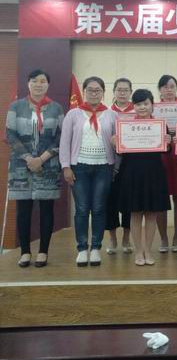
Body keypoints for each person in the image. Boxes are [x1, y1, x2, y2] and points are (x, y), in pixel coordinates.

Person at [5, 69, 64, 268]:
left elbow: (61, 136)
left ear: (48, 85)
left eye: (43, 81)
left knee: (46, 210)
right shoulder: (16, 106)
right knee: (23, 210)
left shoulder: (56, 108)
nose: (39, 84)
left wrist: (42, 158)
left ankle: (43, 252)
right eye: (35, 81)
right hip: (21, 166)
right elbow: (10, 135)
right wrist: (29, 158)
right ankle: (24, 252)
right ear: (28, 83)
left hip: (49, 166)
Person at [59, 76, 118, 267]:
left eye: (97, 90)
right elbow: (64, 142)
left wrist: (116, 157)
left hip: (104, 167)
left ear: (103, 93)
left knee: (99, 208)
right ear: (84, 92)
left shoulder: (111, 115)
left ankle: (96, 248)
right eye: (90, 90)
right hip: (79, 167)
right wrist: (66, 166)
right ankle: (82, 248)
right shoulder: (73, 114)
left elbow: (119, 143)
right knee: (82, 209)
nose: (94, 93)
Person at [113, 89, 171, 266]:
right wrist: (116, 143)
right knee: (135, 213)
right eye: (138, 104)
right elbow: (121, 152)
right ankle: (138, 251)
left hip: (154, 173)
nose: (142, 107)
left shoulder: (161, 125)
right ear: (134, 106)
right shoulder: (126, 126)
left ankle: (148, 250)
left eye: (146, 103)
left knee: (152, 214)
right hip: (132, 172)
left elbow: (166, 152)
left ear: (152, 105)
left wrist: (168, 142)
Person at [156, 74, 177, 254]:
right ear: (160, 89)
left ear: (176, 88)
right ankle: (163, 238)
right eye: (165, 87)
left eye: (172, 86)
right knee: (161, 199)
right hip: (160, 157)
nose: (169, 90)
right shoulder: (153, 109)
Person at [106, 78, 134, 255]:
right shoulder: (106, 113)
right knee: (110, 201)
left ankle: (126, 238)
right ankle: (112, 239)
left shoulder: (137, 112)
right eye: (119, 90)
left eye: (126, 90)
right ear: (114, 92)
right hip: (110, 164)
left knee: (129, 203)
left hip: (131, 164)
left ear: (130, 92)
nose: (122, 93)